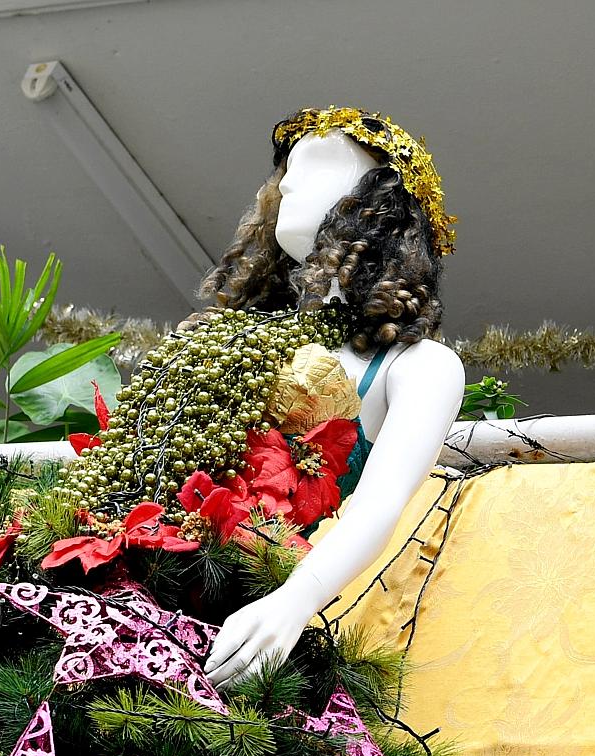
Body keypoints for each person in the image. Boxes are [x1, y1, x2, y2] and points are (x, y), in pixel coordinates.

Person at [192, 106, 467, 685]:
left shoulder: (417, 368)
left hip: (244, 620)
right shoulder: (223, 342)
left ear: (380, 200)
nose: (287, 181)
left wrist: (291, 605)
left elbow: (379, 505)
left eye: (315, 164)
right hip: (134, 572)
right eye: (286, 170)